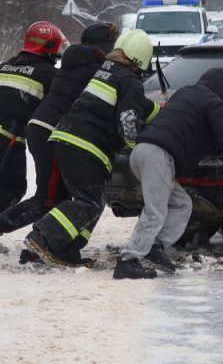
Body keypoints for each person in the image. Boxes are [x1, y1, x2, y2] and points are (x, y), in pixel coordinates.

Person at [0, 23, 118, 262]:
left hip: (40, 128)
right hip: (52, 132)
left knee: (62, 196)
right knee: (49, 199)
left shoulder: (72, 63)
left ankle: (44, 247)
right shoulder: (94, 70)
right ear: (104, 47)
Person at [24, 29, 160, 267]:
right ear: (141, 58)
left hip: (66, 137)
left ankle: (67, 249)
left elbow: (128, 101)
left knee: (92, 202)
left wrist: (159, 110)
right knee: (88, 202)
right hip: (85, 146)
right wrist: (137, 147)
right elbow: (128, 121)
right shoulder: (130, 80)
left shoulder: (107, 71)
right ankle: (42, 236)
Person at [114, 68, 223, 280]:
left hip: (141, 153)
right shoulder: (216, 103)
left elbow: (192, 127)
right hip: (157, 156)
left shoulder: (186, 92)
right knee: (155, 211)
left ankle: (154, 245)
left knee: (181, 204)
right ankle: (127, 261)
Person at [0, 21, 66, 255]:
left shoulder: (3, 66)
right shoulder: (48, 74)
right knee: (12, 188)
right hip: (6, 134)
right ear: (49, 48)